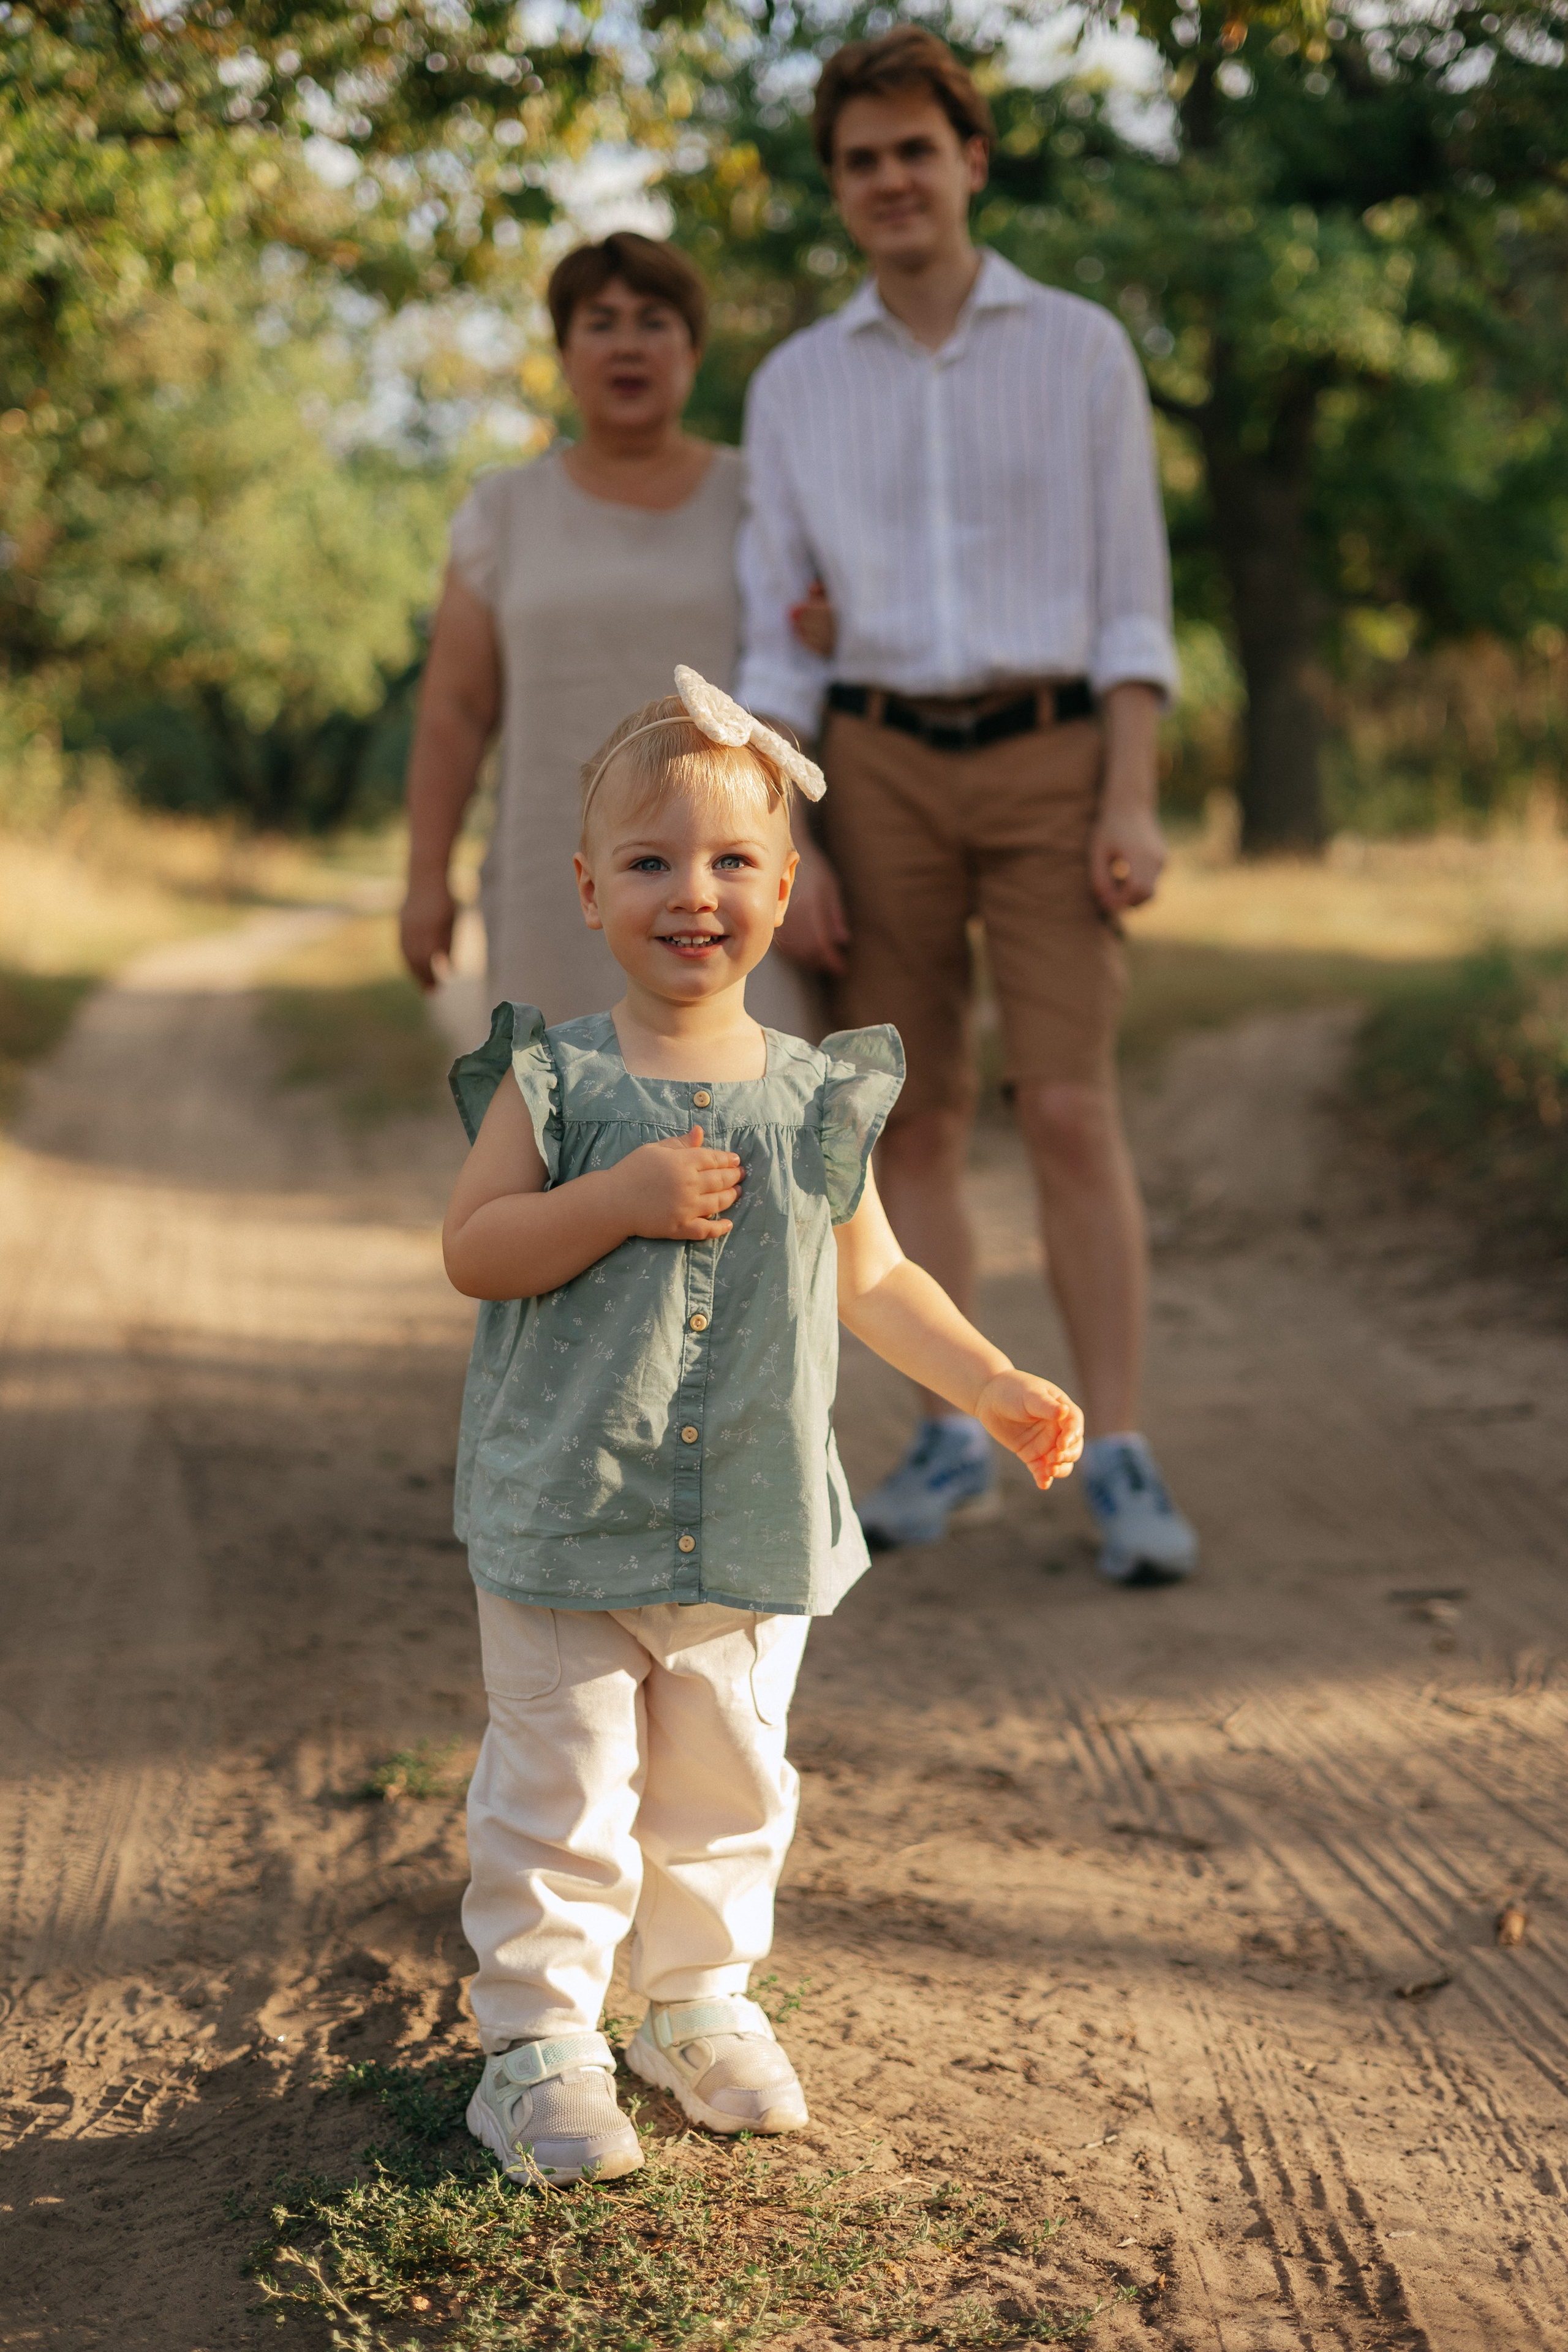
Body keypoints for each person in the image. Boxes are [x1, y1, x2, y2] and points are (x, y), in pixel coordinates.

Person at [441, 667, 1084, 2182]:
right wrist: (608, 1201)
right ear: (589, 887)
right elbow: (475, 1250)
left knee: (730, 1786)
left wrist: (988, 1381)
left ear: (788, 890)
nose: (693, 893)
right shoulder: (556, 1079)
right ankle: (536, 2047)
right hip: (568, 1513)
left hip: (747, 1513)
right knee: (563, 1791)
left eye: (733, 862)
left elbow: (877, 1276)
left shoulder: (810, 1095)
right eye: (652, 862)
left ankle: (693, 2005)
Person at [736, 27, 1198, 1585]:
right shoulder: (797, 383)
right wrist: (782, 841)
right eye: (858, 161)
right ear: (838, 187)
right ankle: (957, 1429)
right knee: (909, 1113)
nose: (887, 182)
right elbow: (770, 627)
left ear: (969, 160)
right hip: (867, 762)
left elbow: (1133, 605)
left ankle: (1117, 1447)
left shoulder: (1076, 350)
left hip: (1052, 751)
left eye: (912, 151)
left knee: (1065, 1102)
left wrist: (1127, 793)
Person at [399, 231, 811, 1035]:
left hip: (733, 876)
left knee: (748, 1119)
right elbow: (454, 710)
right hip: (558, 874)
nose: (628, 344)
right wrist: (425, 878)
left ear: (693, 349)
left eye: (655, 321)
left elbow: (813, 664)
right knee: (561, 1126)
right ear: (564, 351)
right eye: (600, 321)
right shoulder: (503, 513)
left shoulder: (762, 497)